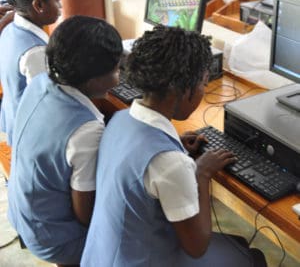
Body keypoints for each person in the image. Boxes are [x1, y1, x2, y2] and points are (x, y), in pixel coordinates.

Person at [81, 25, 267, 266]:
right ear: (179, 90)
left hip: (102, 255)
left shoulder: (120, 119)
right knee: (250, 257)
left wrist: (174, 147)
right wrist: (202, 173)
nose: (203, 90)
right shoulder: (169, 163)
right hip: (141, 260)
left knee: (238, 245)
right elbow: (197, 246)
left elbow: (140, 164)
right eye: (202, 83)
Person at [7, 15, 123, 266]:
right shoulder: (85, 130)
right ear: (93, 80)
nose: (119, 74)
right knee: (140, 226)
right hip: (55, 238)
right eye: (116, 69)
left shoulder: (40, 82)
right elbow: (86, 215)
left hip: (22, 213)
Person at [0, 0, 66, 145]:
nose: (61, 6)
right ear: (39, 5)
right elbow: (47, 107)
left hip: (10, 123)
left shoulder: (8, 29)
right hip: (30, 138)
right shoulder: (36, 52)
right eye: (58, 0)